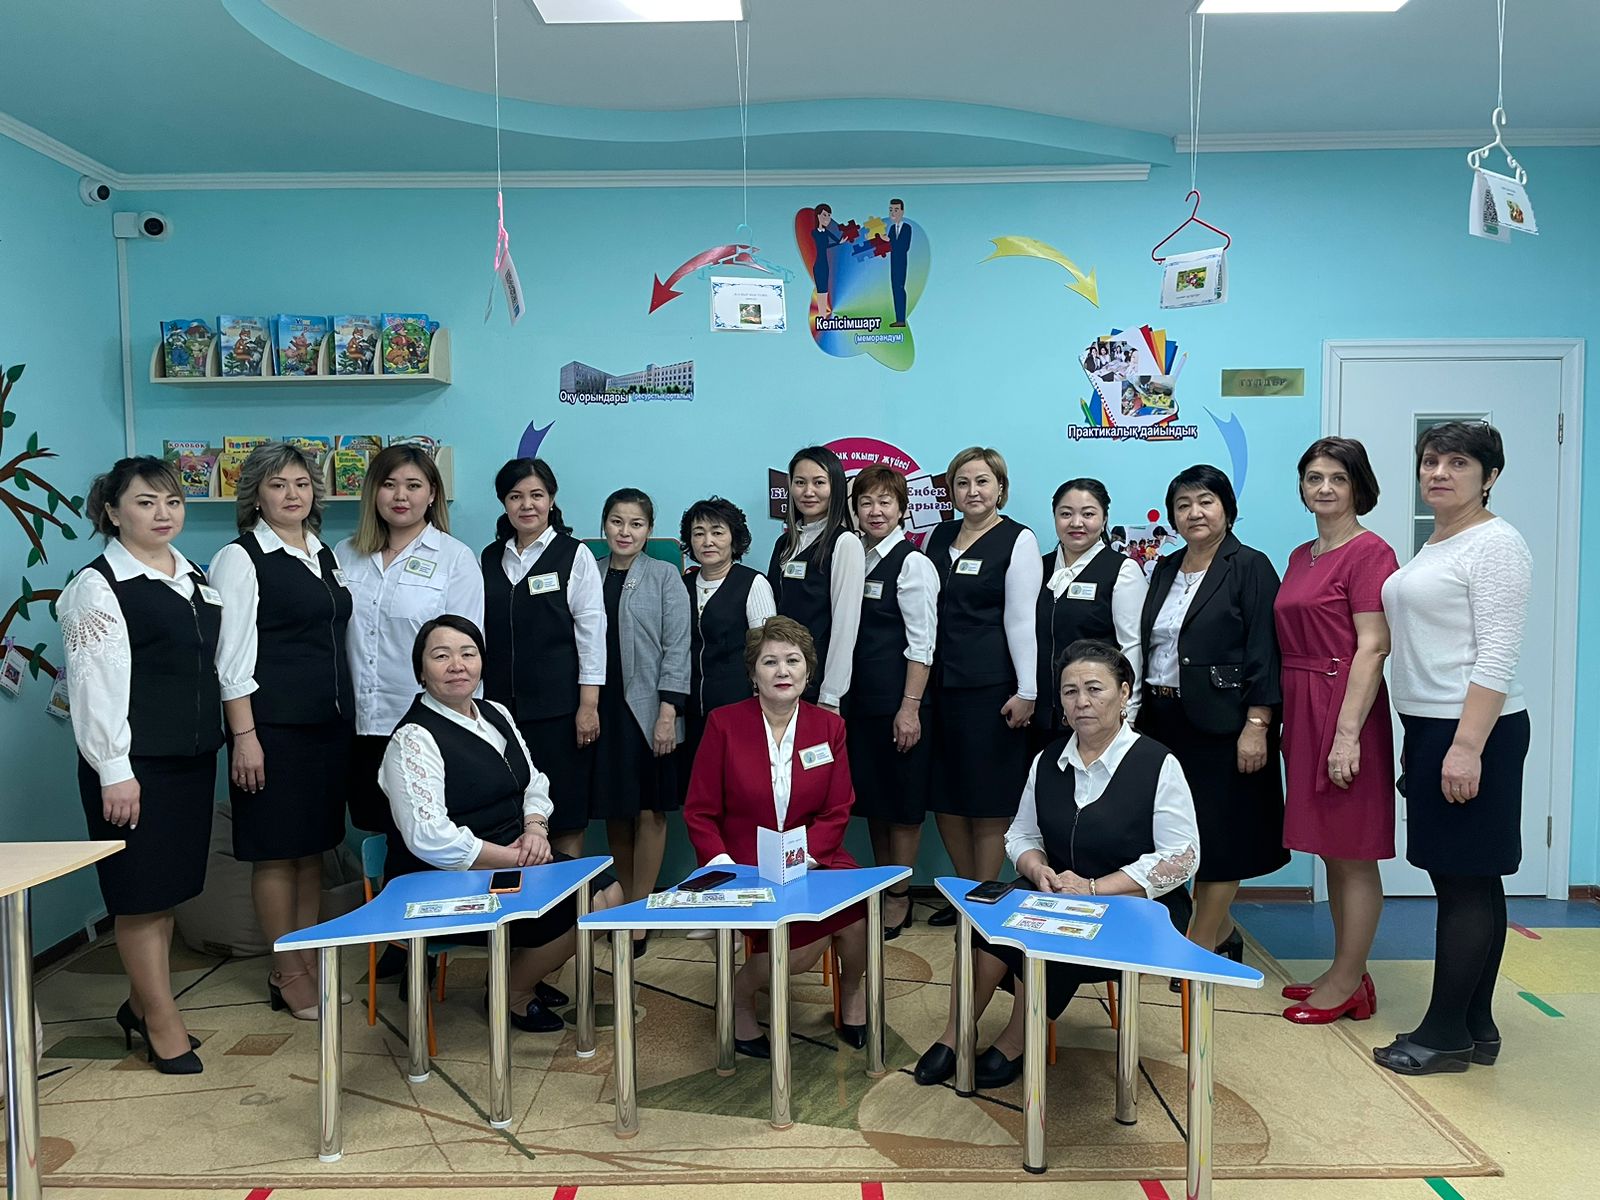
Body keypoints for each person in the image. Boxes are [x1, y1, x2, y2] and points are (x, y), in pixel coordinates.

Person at [914, 640, 1199, 1087]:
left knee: (1047, 939)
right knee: (982, 923)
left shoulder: (1158, 764)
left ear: (1124, 693)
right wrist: (1036, 869)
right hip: (1057, 890)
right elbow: (1022, 835)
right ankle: (956, 1033)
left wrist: (1095, 888)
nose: (1082, 701)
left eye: (1094, 689)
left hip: (1140, 906)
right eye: (1070, 691)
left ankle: (1016, 1040)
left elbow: (1181, 857)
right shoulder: (1048, 760)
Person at [1374, 422, 1531, 1076]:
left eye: (1458, 462)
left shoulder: (1496, 543)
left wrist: (1466, 748)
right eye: (1431, 461)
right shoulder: (1442, 540)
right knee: (1472, 880)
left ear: (1489, 476)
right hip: (1434, 727)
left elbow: (1497, 654)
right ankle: (1476, 1024)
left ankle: (1443, 1035)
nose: (1439, 472)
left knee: (1463, 884)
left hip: (1471, 729)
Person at [379, 617, 623, 1032]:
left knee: (610, 893)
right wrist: (512, 858)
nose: (457, 665)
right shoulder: (413, 738)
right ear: (421, 670)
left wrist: (535, 828)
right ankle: (512, 992)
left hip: (515, 856)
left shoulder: (496, 714)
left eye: (468, 653)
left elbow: (533, 781)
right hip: (446, 877)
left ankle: (517, 974)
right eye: (441, 656)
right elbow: (428, 837)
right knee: (581, 907)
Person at [59, 457, 222, 1074]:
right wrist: (113, 769)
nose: (162, 514)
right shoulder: (97, 586)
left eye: (172, 502)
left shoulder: (192, 574)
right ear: (112, 511)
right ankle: (161, 1022)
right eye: (146, 502)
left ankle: (139, 1003)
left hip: (191, 759)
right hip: (135, 766)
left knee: (168, 891)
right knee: (139, 897)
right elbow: (94, 686)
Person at [209, 443, 354, 1022]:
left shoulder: (321, 553)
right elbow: (230, 660)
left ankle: (310, 961)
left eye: (301, 483)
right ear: (255, 496)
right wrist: (245, 736)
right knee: (274, 853)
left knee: (312, 851)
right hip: (271, 729)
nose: (292, 494)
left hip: (327, 727)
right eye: (277, 485)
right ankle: (286, 973)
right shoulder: (240, 558)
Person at [683, 617, 869, 1056]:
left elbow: (837, 808)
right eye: (770, 662)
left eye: (793, 660)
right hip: (744, 865)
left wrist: (805, 858)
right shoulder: (724, 724)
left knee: (858, 915)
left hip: (816, 857)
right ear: (753, 673)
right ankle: (738, 997)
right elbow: (700, 811)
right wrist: (722, 865)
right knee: (800, 951)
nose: (782, 671)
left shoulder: (829, 728)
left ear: (808, 670)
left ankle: (853, 991)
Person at [1137, 465, 1286, 966]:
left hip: (1225, 723)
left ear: (1226, 508)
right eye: (1183, 505)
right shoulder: (1165, 567)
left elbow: (1265, 651)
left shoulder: (1249, 566)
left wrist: (1257, 725)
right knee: (1177, 834)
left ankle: (1199, 948)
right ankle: (1222, 934)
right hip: (1162, 719)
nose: (1194, 513)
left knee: (1220, 837)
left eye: (1205, 501)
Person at [1274, 439, 1399, 1024]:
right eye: (1314, 477)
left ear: (1358, 487)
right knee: (1329, 847)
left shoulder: (1371, 552)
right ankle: (1345, 971)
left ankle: (1349, 980)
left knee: (1353, 852)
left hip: (1345, 704)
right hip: (1302, 702)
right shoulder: (1302, 555)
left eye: (1338, 478)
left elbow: (1372, 647)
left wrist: (1346, 735)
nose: (1324, 488)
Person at [336, 444, 482, 838]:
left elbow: (467, 653)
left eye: (413, 485)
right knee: (375, 832)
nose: (401, 496)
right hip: (359, 724)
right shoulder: (344, 554)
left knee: (427, 838)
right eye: (389, 484)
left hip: (426, 728)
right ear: (373, 491)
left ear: (432, 494)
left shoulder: (454, 558)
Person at [924, 447, 1042, 925]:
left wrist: (1028, 689)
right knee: (946, 794)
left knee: (988, 796)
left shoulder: (1018, 539)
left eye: (982, 481)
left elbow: (1021, 619)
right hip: (938, 684)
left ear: (1000, 488)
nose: (972, 491)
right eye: (962, 483)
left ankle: (987, 894)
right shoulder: (938, 536)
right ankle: (965, 892)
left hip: (992, 687)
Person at [479, 457, 604, 859]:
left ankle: (568, 897)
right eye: (516, 496)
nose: (527, 505)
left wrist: (588, 705)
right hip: (500, 712)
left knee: (563, 815)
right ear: (504, 503)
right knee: (509, 816)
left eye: (536, 495)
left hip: (560, 711)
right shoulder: (489, 558)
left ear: (551, 499)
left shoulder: (573, 555)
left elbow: (591, 635)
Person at [590, 488, 691, 956]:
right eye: (617, 521)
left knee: (650, 809)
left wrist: (669, 712)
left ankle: (641, 910)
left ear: (649, 530)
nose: (625, 532)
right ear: (604, 525)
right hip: (602, 706)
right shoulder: (588, 571)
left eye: (636, 524)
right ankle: (626, 904)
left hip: (651, 708)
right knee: (617, 809)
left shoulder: (664, 575)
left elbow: (678, 646)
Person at [846, 466, 939, 938]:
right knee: (876, 803)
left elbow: (922, 645)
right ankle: (885, 886)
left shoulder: (912, 563)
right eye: (866, 502)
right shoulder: (854, 558)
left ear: (902, 509)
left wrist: (909, 707)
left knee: (902, 805)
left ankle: (900, 897)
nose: (875, 511)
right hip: (860, 704)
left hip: (899, 704)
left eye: (885, 501)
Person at [1034, 477, 1147, 754]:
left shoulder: (1122, 570)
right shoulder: (1038, 567)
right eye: (1066, 514)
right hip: (1040, 714)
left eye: (1088, 514)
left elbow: (1132, 645)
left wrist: (1128, 711)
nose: (1076, 523)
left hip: (1097, 715)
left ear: (1104, 518)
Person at [679, 496, 776, 768]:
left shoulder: (752, 583)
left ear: (734, 538)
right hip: (690, 710)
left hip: (738, 705)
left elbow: (767, 651)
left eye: (717, 532)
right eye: (699, 533)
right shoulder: (681, 584)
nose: (707, 541)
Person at [766, 445, 864, 711]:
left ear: (836, 488)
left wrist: (831, 694)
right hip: (781, 680)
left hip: (819, 685)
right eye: (800, 482)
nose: (808, 492)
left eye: (819, 482)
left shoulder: (845, 543)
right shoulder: (784, 543)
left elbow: (845, 626)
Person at [809, 203, 842, 318]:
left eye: (829, 215)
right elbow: (822, 246)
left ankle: (823, 314)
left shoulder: (826, 232)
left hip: (825, 264)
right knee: (821, 290)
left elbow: (834, 241)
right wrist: (837, 243)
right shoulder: (815, 233)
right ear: (818, 216)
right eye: (824, 215)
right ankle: (822, 313)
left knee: (825, 289)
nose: (827, 218)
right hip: (818, 264)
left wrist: (840, 242)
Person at [886, 197, 912, 327]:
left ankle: (901, 319)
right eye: (891, 210)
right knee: (895, 288)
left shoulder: (907, 228)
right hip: (893, 262)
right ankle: (898, 319)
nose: (893, 213)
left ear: (902, 211)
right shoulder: (891, 229)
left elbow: (904, 247)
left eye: (896, 210)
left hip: (901, 262)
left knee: (900, 288)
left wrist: (889, 243)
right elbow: (888, 247)